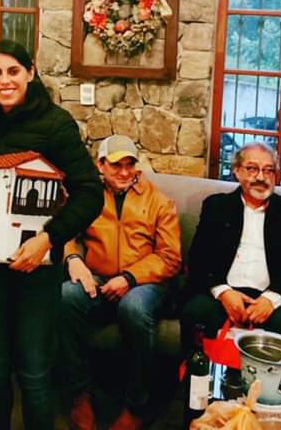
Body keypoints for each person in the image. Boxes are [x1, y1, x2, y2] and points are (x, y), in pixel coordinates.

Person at [0, 39, 103, 430]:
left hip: (38, 271)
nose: (4, 80)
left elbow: (90, 193)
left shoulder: (56, 123)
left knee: (34, 370)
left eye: (13, 71)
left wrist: (49, 239)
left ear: (30, 72)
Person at [60, 135, 181, 430]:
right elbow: (65, 233)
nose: (125, 172)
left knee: (134, 307)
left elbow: (170, 257)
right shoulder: (87, 196)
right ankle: (80, 393)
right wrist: (73, 258)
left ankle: (137, 404)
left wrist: (129, 278)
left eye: (130, 165)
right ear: (100, 165)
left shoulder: (158, 201)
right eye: (116, 165)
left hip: (145, 283)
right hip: (98, 279)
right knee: (66, 296)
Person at [181, 142, 281, 350]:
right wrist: (223, 292)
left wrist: (271, 299)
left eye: (268, 170)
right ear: (236, 171)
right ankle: (199, 371)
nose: (261, 177)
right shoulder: (217, 206)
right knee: (196, 311)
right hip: (223, 294)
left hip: (272, 298)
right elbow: (198, 258)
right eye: (252, 169)